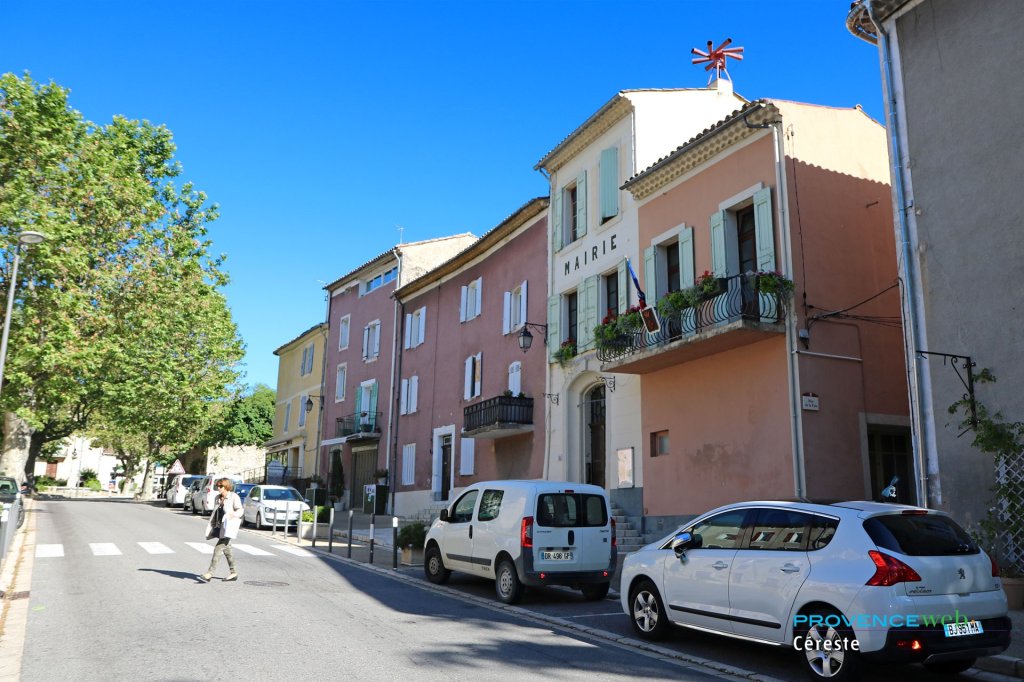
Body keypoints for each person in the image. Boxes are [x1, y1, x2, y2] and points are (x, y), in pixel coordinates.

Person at [201, 478, 243, 582]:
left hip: (228, 528)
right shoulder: (217, 498)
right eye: (217, 486)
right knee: (228, 551)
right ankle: (234, 573)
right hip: (220, 527)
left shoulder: (233, 497)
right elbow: (216, 512)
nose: (218, 488)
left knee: (218, 549)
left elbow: (240, 510)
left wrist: (233, 515)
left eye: (221, 486)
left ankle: (209, 573)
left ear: (226, 486)